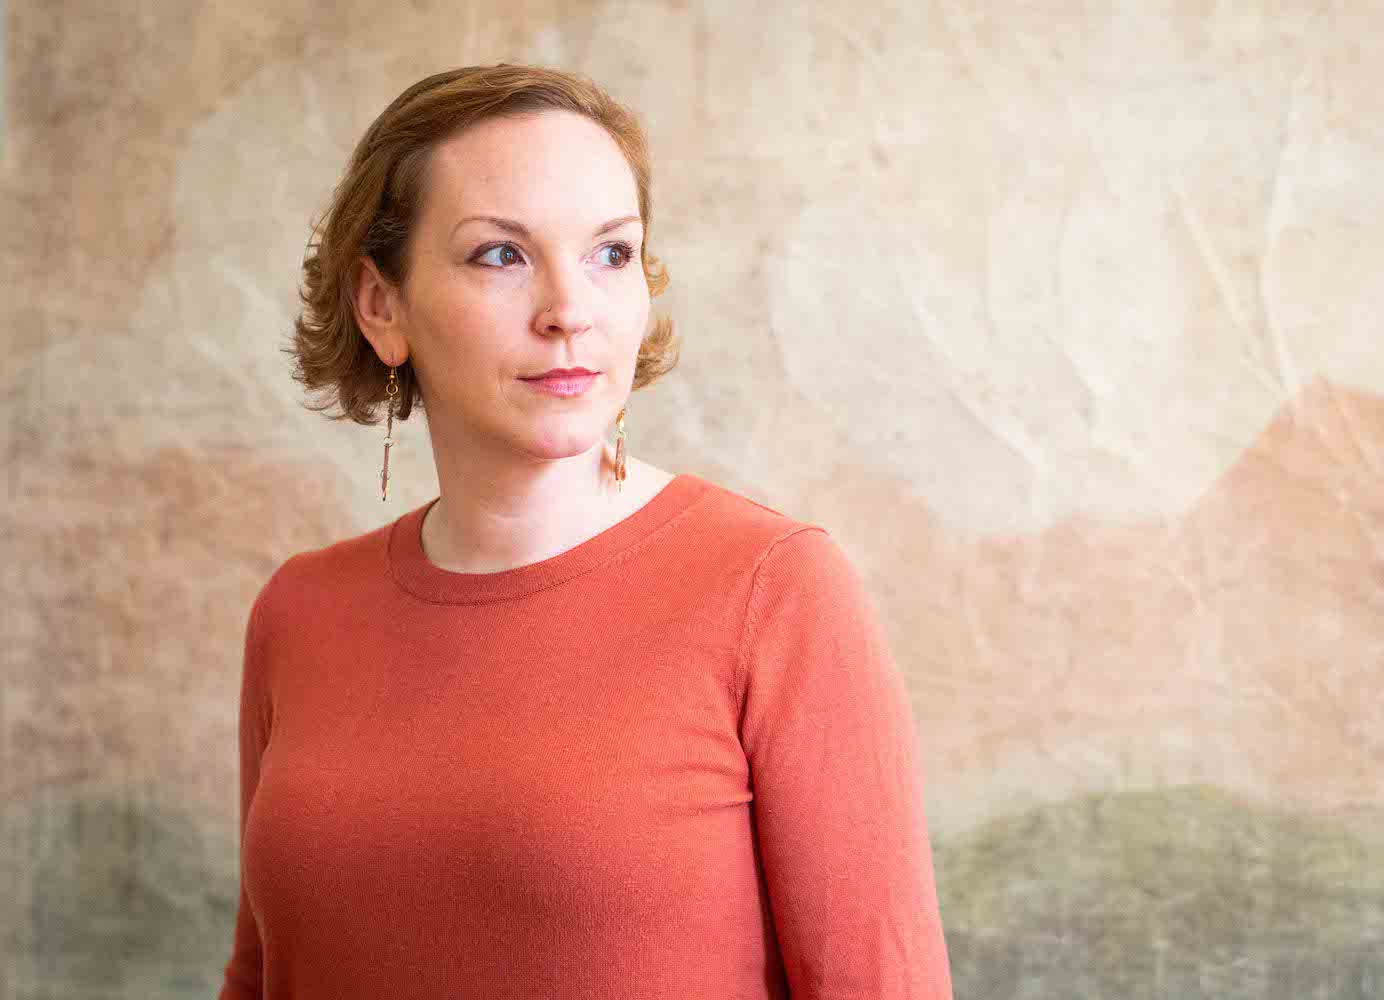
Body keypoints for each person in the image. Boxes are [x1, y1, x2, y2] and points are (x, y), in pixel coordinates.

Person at [218, 62, 953, 999]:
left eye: (611, 252)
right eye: (501, 254)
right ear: (381, 305)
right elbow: (261, 974)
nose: (570, 312)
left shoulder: (776, 588)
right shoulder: (300, 610)